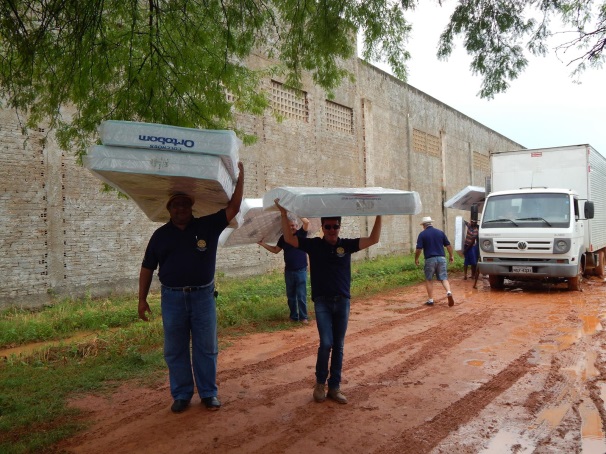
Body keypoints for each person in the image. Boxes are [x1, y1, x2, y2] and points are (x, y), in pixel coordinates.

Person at [138, 162, 244, 414]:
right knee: (175, 349)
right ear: (169, 209)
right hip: (172, 299)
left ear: (191, 207)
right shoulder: (160, 236)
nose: (181, 208)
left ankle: (208, 393)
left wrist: (241, 177)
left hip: (203, 297)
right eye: (176, 205)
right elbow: (147, 267)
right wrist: (141, 300)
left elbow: (233, 208)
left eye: (185, 204)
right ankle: (182, 394)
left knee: (206, 347)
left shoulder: (208, 225)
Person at [275, 198, 382, 405]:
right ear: (322, 228)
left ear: (339, 227)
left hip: (342, 302)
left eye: (335, 226)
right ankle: (319, 384)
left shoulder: (346, 245)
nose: (332, 230)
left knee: (338, 345)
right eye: (328, 227)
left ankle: (335, 387)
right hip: (322, 302)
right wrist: (283, 214)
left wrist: (380, 213)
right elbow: (289, 239)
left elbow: (373, 239)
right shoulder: (314, 245)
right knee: (326, 343)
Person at [257, 214, 311, 323]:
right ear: (286, 226)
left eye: (294, 225)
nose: (293, 227)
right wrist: (263, 244)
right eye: (290, 225)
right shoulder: (284, 238)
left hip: (301, 270)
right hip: (289, 271)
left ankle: (303, 317)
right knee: (291, 296)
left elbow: (306, 223)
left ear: (297, 226)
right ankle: (293, 317)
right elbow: (275, 250)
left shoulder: (301, 234)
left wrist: (296, 210)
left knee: (301, 295)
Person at [414, 216, 455, 307]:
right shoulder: (440, 232)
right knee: (444, 278)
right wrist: (451, 256)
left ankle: (431, 300)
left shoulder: (422, 234)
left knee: (429, 279)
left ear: (423, 225)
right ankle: (448, 292)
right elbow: (448, 246)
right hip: (442, 258)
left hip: (430, 259)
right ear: (431, 223)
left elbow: (419, 249)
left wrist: (416, 259)